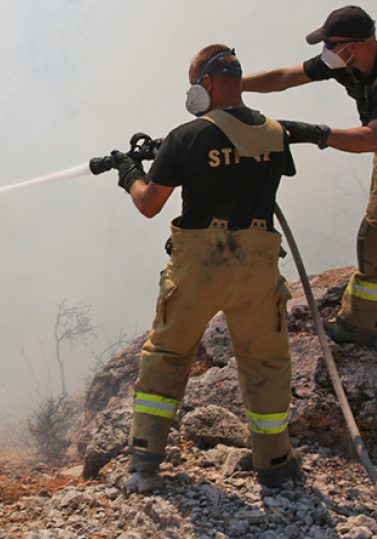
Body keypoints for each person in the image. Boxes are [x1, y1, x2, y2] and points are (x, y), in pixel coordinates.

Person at [106, 44, 299, 489]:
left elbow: (150, 204)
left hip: (198, 268)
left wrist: (129, 172)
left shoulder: (186, 137)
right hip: (257, 268)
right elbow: (248, 164)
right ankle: (273, 463)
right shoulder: (275, 133)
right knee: (266, 363)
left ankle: (144, 464)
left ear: (206, 84)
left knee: (169, 356)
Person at [242, 5, 377, 347]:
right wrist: (233, 86)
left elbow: (374, 138)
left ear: (357, 44)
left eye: (332, 44)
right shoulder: (346, 62)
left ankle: (360, 324)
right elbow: (286, 77)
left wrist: (318, 133)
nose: (326, 53)